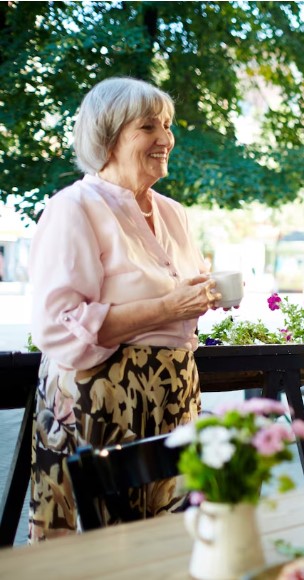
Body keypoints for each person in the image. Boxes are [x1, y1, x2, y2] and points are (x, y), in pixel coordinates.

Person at [28, 77, 222, 542]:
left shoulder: (173, 212)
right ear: (109, 136)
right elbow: (57, 328)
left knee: (178, 541)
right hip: (100, 398)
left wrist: (198, 297)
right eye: (149, 126)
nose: (166, 138)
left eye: (168, 125)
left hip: (175, 393)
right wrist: (168, 305)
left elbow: (177, 299)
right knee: (105, 552)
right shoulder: (73, 207)